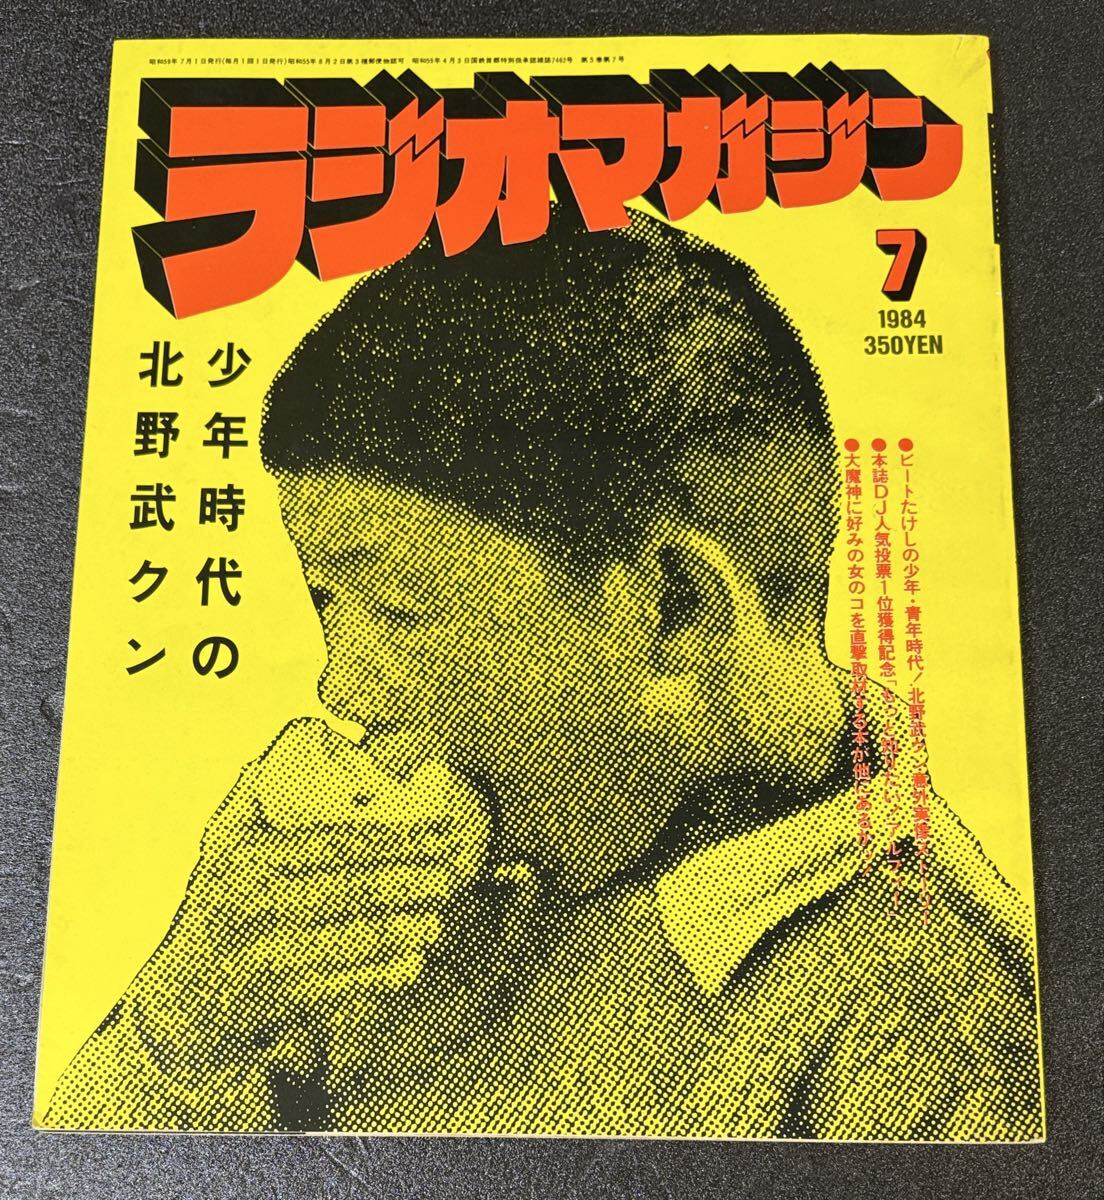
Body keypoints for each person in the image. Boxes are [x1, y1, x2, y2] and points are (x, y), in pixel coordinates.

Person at [45, 207, 1042, 1139]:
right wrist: (184, 1025)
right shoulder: (424, 904)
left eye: (399, 609)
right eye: (327, 602)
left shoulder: (930, 1011)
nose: (344, 692)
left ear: (673, 610)